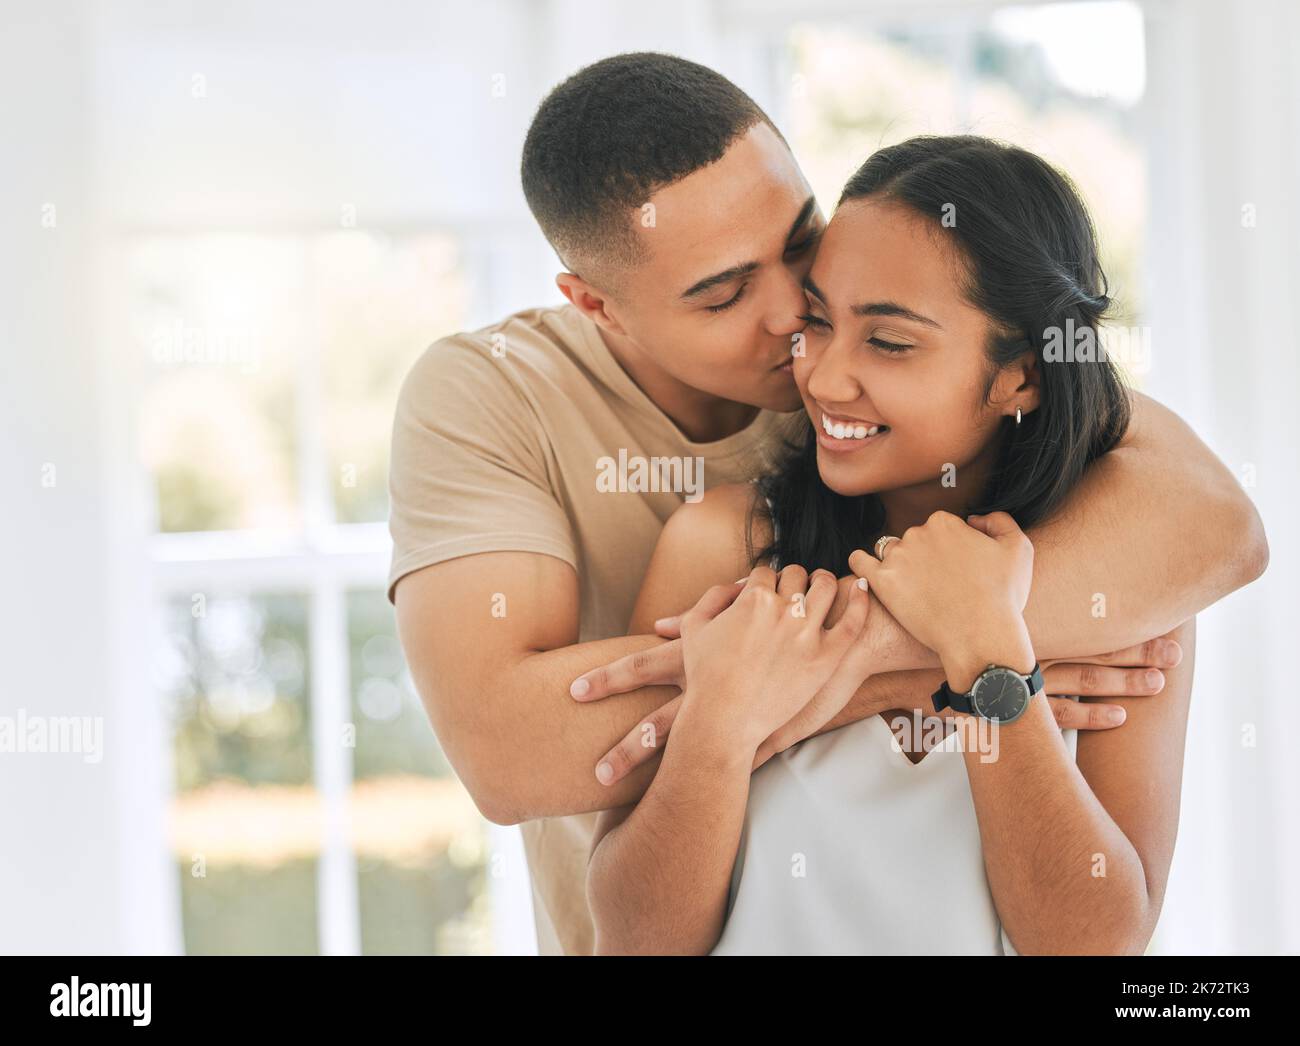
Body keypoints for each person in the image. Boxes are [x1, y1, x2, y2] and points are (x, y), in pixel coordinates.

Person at [388, 54, 1267, 955]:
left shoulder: (1086, 525)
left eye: (802, 248)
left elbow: (1221, 525)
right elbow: (507, 759)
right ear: (596, 307)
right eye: (728, 292)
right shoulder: (535, 421)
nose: (800, 342)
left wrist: (932, 651)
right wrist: (903, 669)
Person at [583, 136, 1223, 954]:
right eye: (818, 321)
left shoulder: (1124, 583)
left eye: (887, 342)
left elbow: (1092, 945)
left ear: (1021, 375)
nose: (822, 377)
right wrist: (719, 727)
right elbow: (637, 942)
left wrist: (989, 654)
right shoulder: (724, 548)